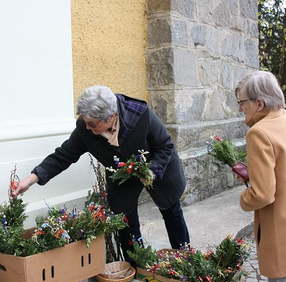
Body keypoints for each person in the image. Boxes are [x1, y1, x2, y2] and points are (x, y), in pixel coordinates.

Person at [14, 85, 190, 260]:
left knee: (171, 210)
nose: (88, 128)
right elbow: (64, 155)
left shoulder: (140, 115)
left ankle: (184, 258)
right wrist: (31, 179)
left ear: (111, 117)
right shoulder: (86, 128)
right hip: (120, 172)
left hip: (158, 164)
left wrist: (152, 171)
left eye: (92, 124)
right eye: (85, 122)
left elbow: (165, 146)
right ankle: (136, 263)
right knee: (124, 218)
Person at [235, 70, 286, 282]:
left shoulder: (259, 133)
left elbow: (262, 195)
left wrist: (244, 198)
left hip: (281, 232)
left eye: (242, 102)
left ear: (259, 103)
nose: (240, 107)